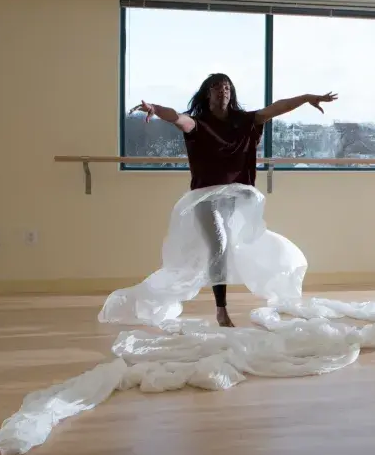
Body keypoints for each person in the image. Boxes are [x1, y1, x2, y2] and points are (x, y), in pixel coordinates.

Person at [130, 73, 337, 327]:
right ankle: (221, 309)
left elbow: (275, 108)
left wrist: (306, 98)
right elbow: (178, 118)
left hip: (235, 196)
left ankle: (270, 281)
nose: (223, 91)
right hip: (205, 196)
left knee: (234, 246)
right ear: (208, 93)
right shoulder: (199, 124)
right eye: (217, 87)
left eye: (227, 87)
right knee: (219, 245)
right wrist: (155, 109)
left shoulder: (245, 121)